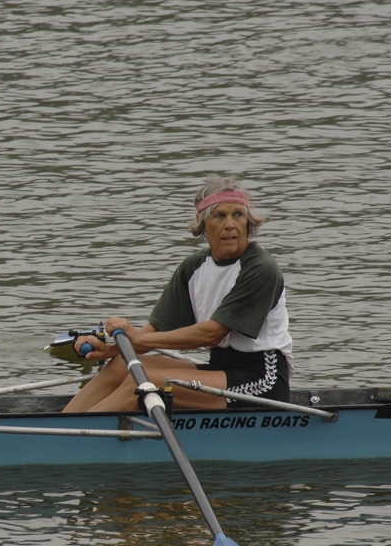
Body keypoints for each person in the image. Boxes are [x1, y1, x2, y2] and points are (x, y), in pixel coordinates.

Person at [62, 176, 293, 413]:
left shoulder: (261, 269)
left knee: (141, 382)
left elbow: (211, 335)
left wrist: (138, 340)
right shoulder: (194, 267)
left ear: (248, 222)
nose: (231, 225)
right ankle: (60, 426)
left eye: (238, 215)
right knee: (123, 366)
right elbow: (155, 330)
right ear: (201, 222)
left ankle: (72, 442)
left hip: (262, 381)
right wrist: (113, 350)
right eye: (220, 216)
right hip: (219, 370)